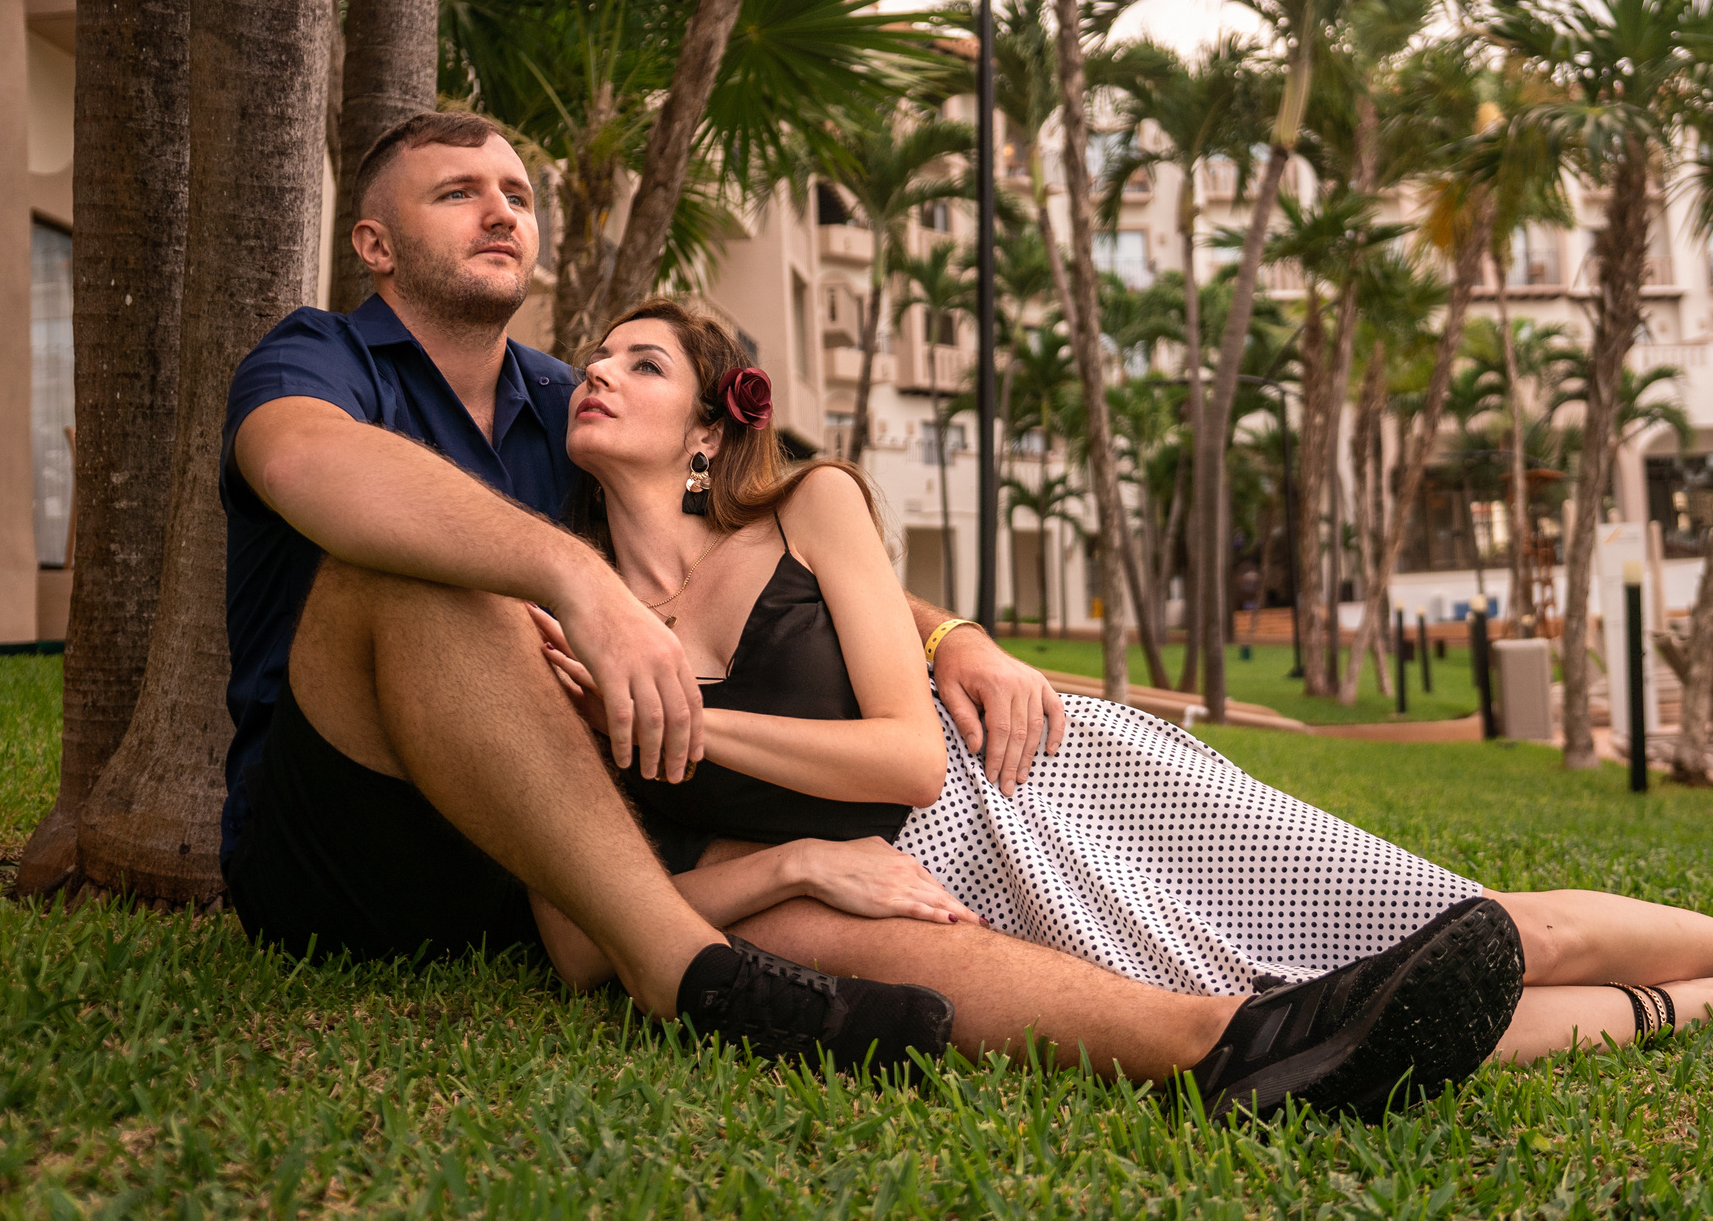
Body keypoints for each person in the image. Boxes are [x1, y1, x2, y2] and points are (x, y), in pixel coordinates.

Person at [215, 110, 1526, 1116]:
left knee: (829, 905)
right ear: (377, 244)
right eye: (458, 194)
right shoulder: (322, 359)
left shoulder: (568, 404)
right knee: (423, 563)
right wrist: (564, 581)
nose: (501, 212)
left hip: (562, 865)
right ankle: (688, 977)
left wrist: (950, 635)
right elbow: (307, 467)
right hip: (355, 830)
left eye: (514, 192)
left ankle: (1221, 1040)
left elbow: (749, 529)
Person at [538, 296, 1713, 1061]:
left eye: (639, 361)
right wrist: (786, 864)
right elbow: (592, 933)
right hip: (936, 883)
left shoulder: (809, 511)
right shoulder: (558, 611)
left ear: (714, 429)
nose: (596, 372)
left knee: (1455, 924)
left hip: (1039, 787)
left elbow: (911, 758)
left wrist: (677, 712)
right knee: (1315, 1014)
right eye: (593, 358)